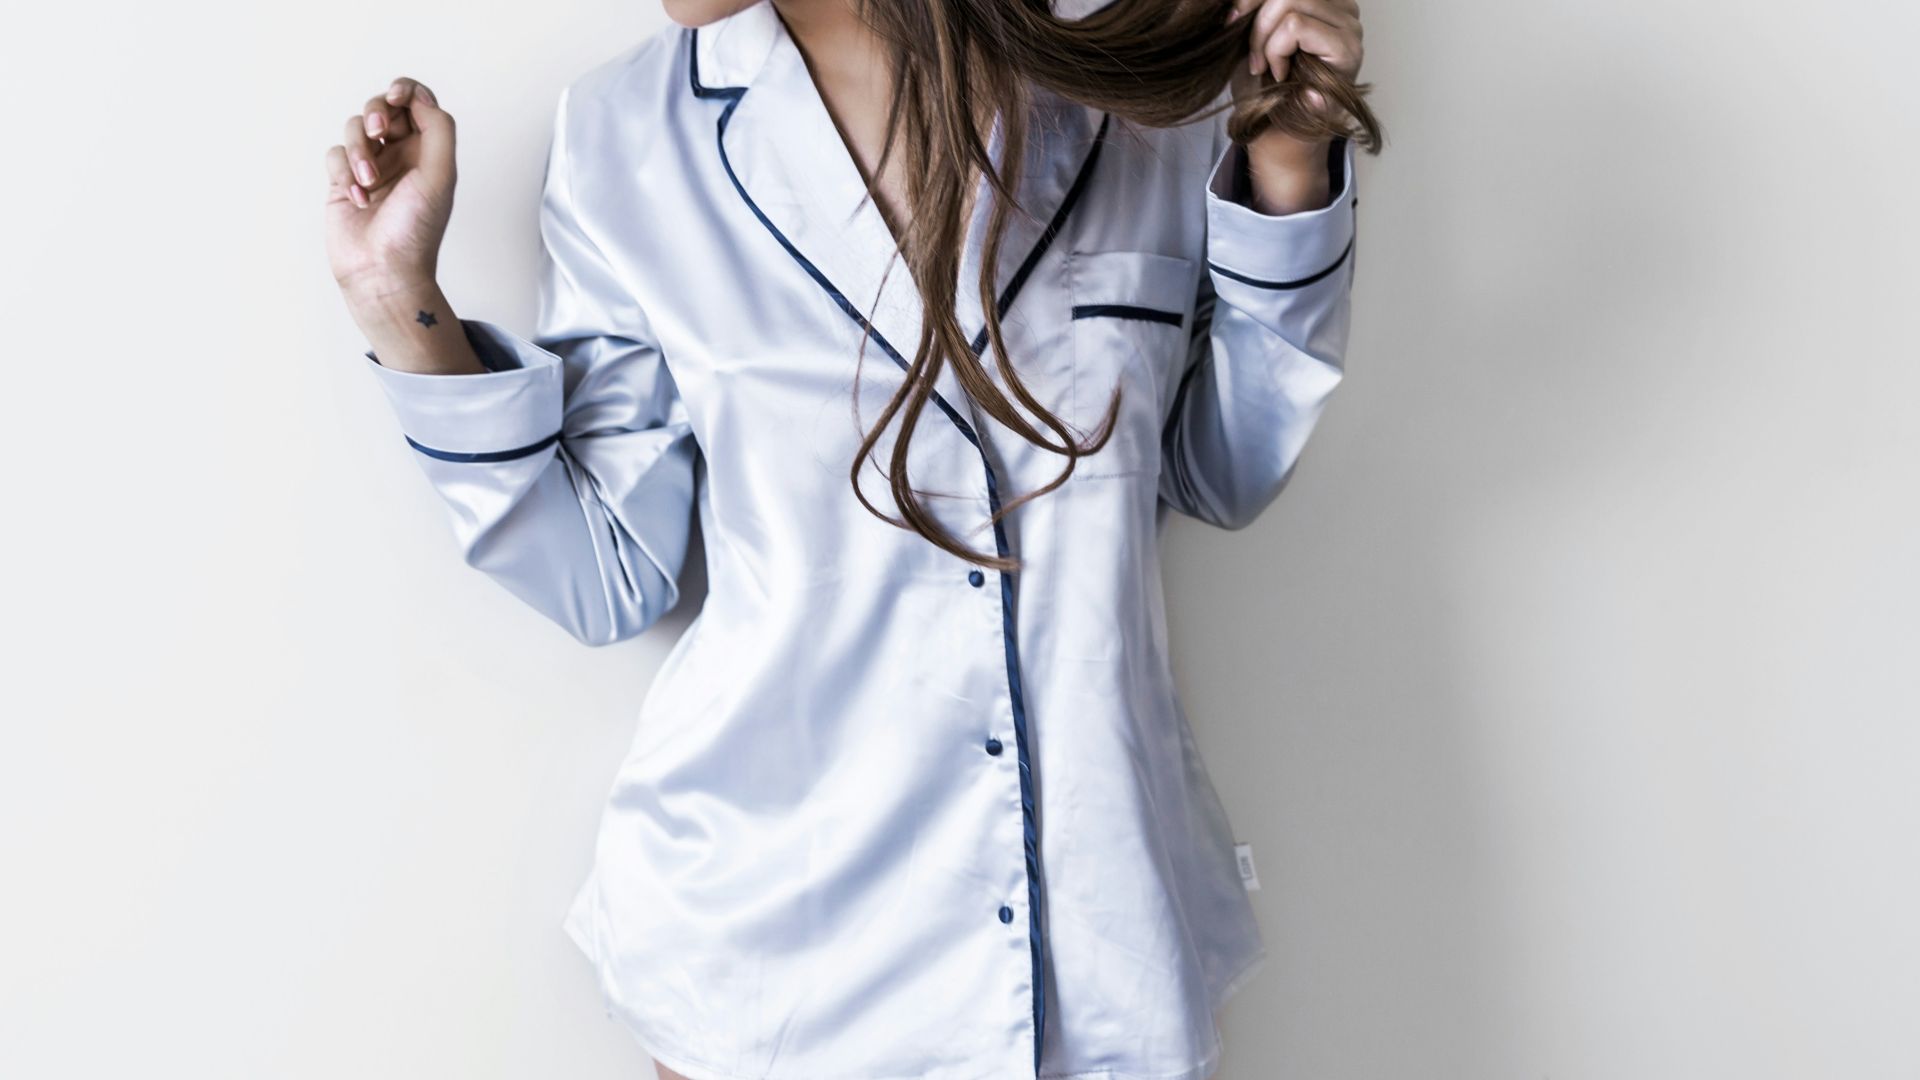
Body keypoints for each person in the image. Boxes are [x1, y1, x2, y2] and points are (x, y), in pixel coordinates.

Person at [321, 0, 1368, 1076]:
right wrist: (395, 298)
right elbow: (606, 571)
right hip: (770, 967)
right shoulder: (627, 131)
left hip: (1099, 962)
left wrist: (1289, 165)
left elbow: (1218, 471)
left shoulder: (1141, 85)